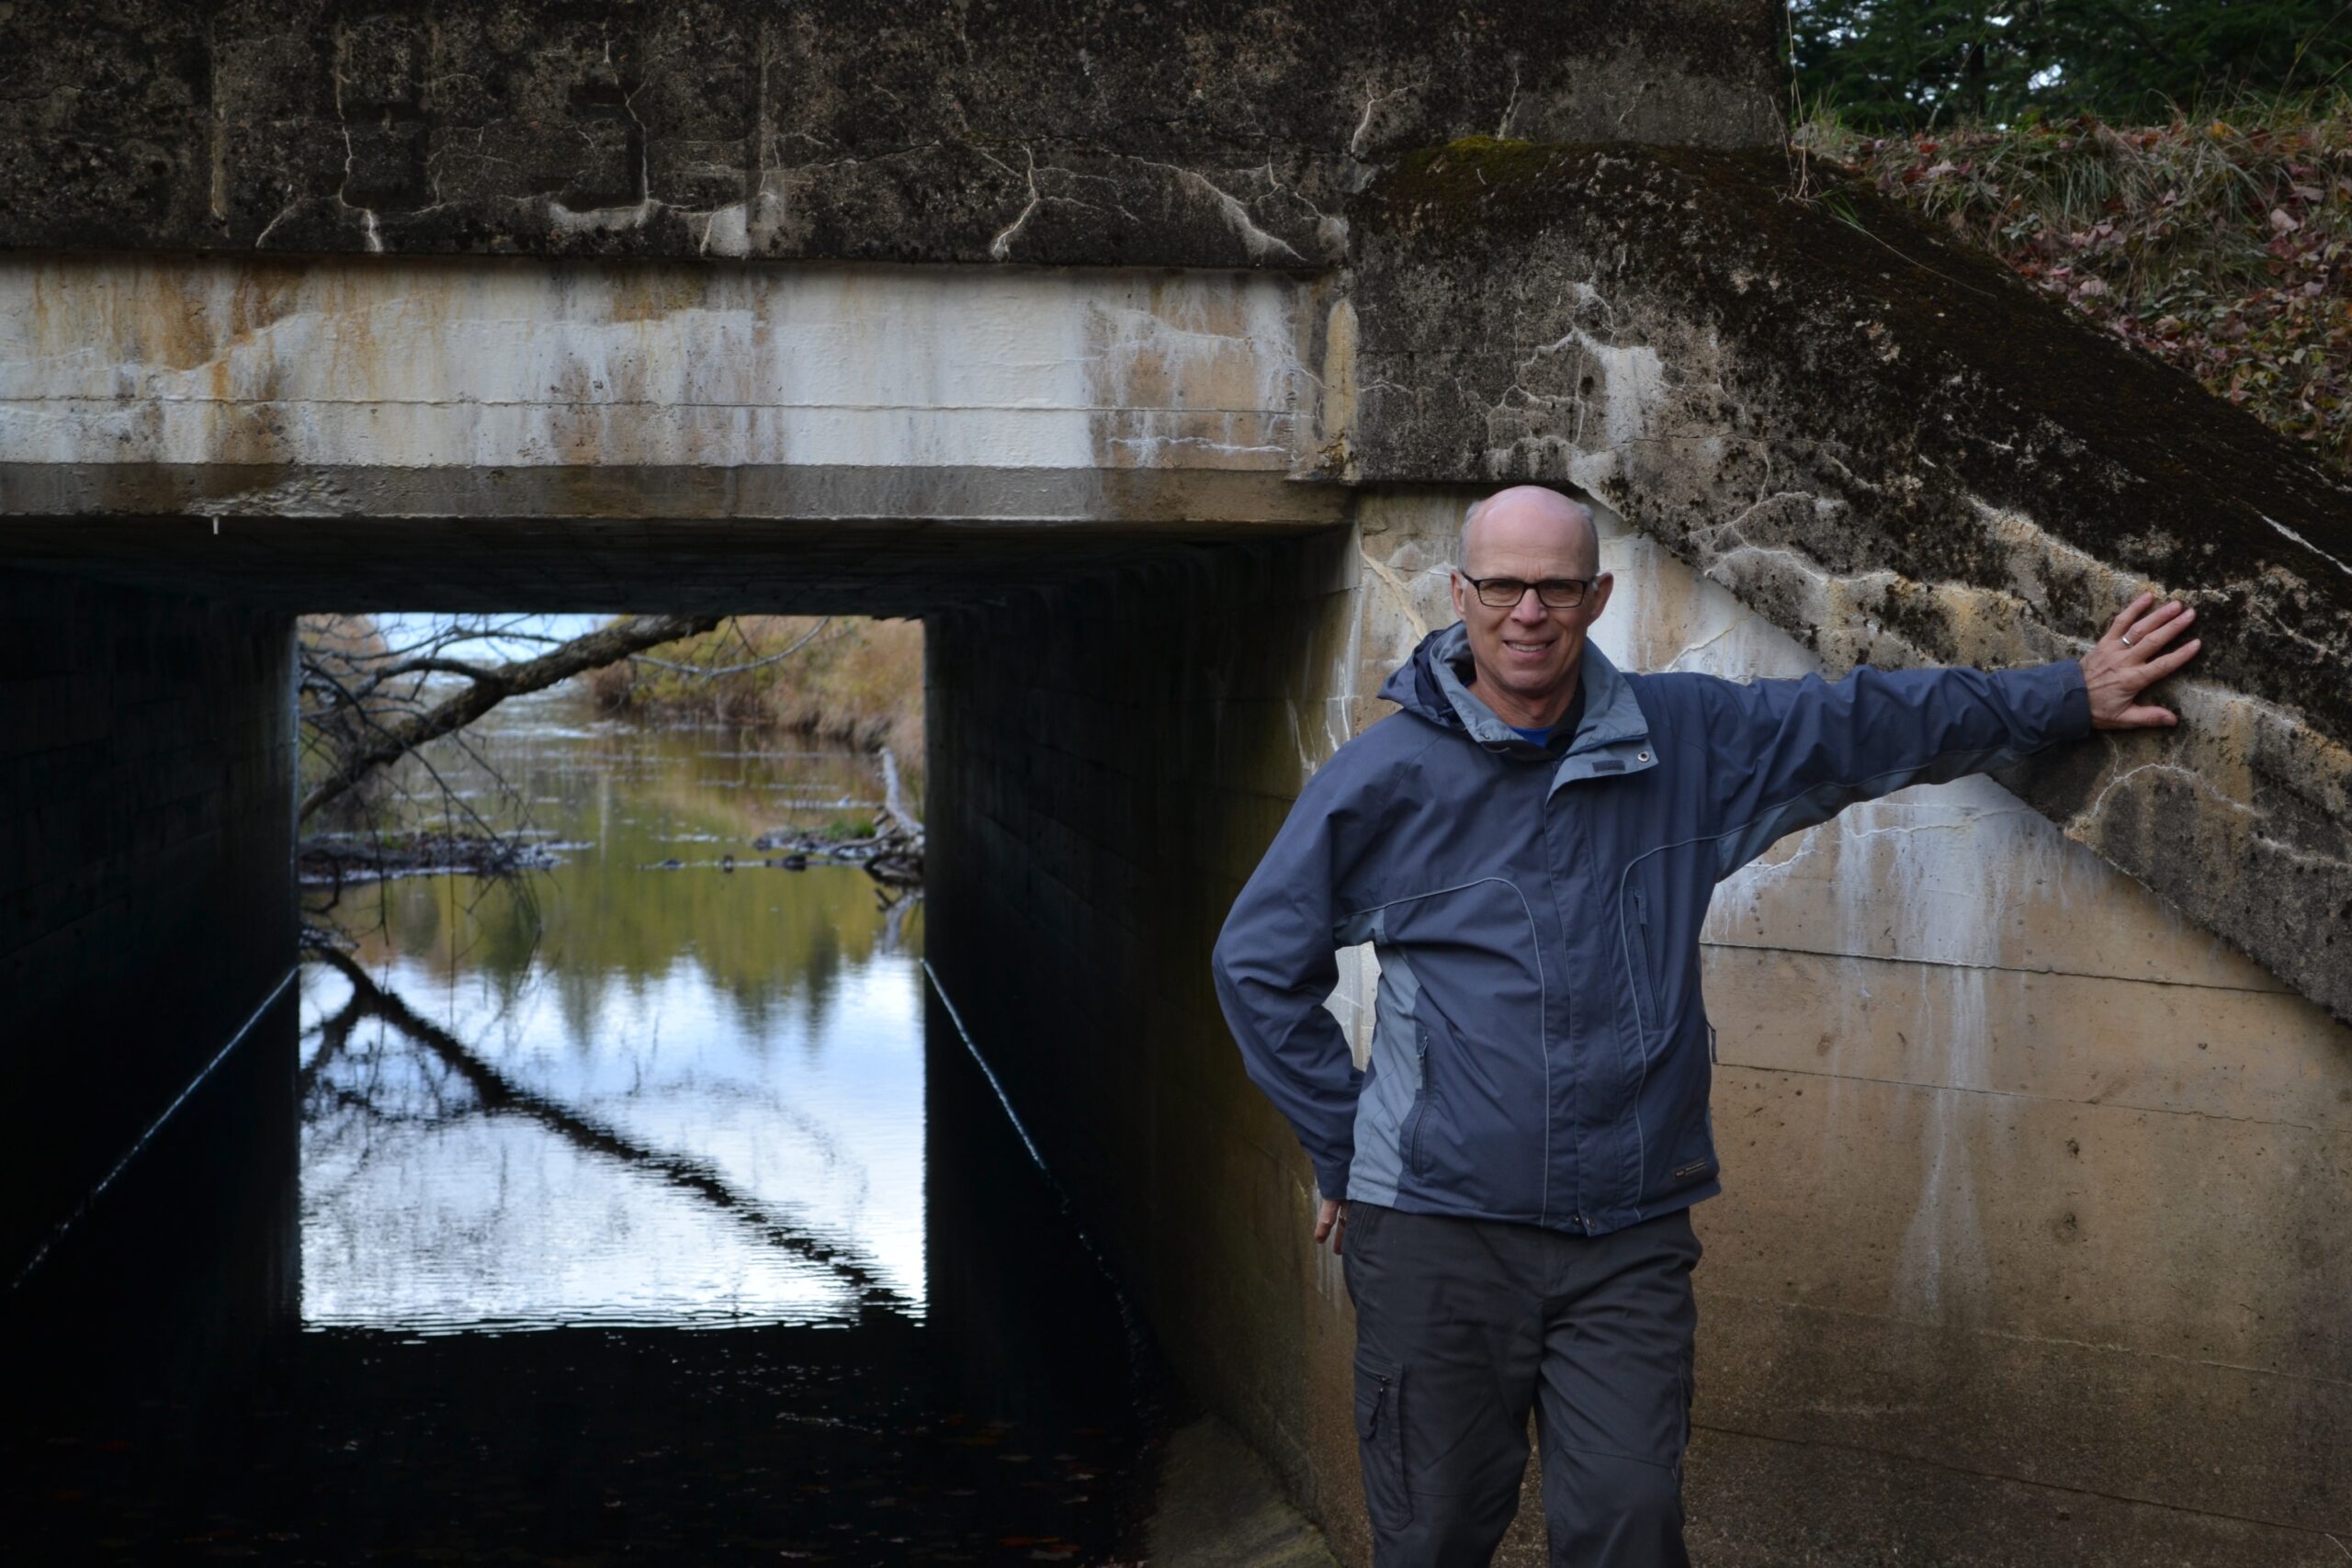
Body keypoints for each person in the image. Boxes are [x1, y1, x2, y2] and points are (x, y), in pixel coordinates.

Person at [1208, 485, 2199, 1567]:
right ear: (1460, 595)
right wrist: (1348, 1146)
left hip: (1625, 1238)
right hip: (1441, 1235)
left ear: (1597, 595)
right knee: (1434, 1532)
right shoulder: (1386, 781)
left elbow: (1862, 719)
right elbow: (1257, 964)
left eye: (1553, 587)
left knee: (1630, 1526)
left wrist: (2065, 696)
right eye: (1501, 586)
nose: (1526, 612)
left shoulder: (1682, 741)